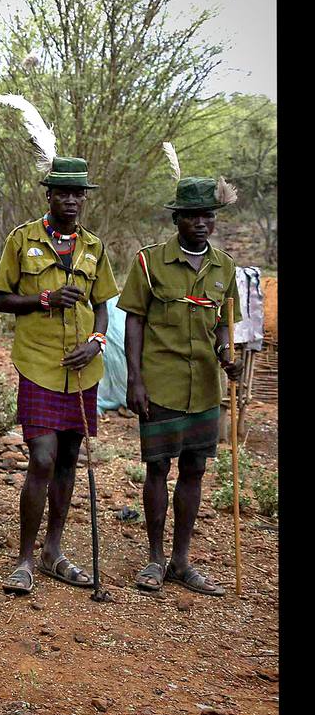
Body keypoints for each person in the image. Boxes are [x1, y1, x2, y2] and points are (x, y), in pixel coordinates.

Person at [0, 156, 119, 595]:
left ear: (84, 197)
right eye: (62, 192)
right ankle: (24, 558)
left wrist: (97, 341)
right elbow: (1, 299)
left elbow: (102, 304)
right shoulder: (21, 239)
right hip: (39, 364)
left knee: (67, 460)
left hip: (84, 369)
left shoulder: (94, 246)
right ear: (48, 195)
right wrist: (43, 298)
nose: (70, 199)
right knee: (42, 457)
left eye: (77, 193)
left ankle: (53, 552)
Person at [120, 174, 242, 596]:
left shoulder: (225, 268)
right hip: (161, 383)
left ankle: (181, 560)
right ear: (178, 219)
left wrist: (228, 354)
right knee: (157, 468)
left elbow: (224, 326)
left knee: (195, 470)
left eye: (208, 215)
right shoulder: (149, 262)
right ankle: (154, 559)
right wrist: (135, 379)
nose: (202, 223)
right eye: (192, 216)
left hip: (205, 387)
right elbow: (133, 320)